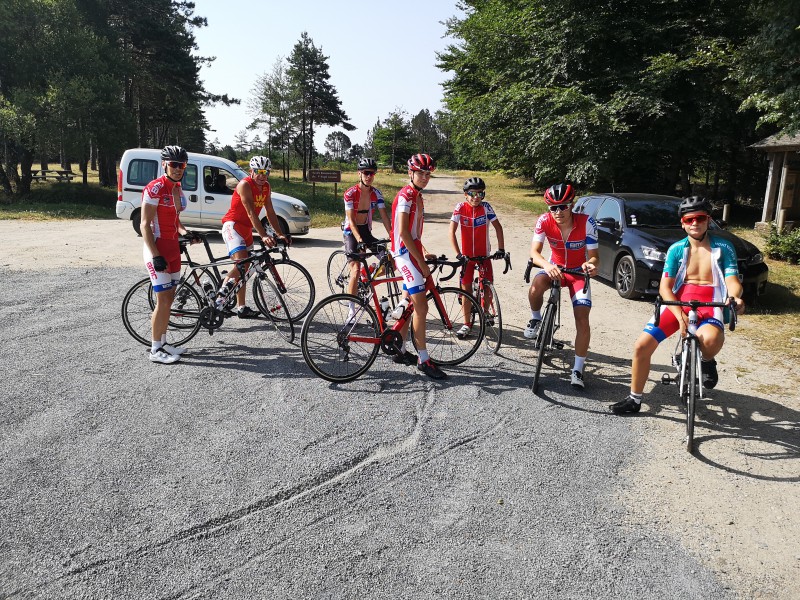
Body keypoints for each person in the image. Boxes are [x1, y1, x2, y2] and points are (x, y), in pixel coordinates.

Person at [610, 196, 745, 414]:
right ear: (682, 223)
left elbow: (732, 280)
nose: (695, 223)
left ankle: (707, 360)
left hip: (711, 302)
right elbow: (665, 287)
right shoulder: (676, 249)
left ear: (708, 220)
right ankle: (634, 399)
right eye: (689, 219)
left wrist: (735, 298)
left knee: (710, 339)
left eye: (700, 218)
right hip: (678, 302)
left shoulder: (724, 247)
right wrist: (679, 314)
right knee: (641, 346)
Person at [525, 183, 599, 389]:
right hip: (554, 267)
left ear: (572, 204)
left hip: (577, 272)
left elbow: (594, 257)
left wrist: (590, 265)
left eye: (563, 206)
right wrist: (548, 265)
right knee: (536, 285)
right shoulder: (543, 220)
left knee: (582, 318)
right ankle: (536, 319)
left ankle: (577, 368)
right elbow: (535, 252)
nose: (558, 211)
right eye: (553, 207)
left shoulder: (587, 222)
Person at [390, 153, 447, 380]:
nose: (425, 177)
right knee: (421, 307)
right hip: (403, 255)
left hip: (410, 252)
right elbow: (403, 234)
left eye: (428, 173)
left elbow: (414, 234)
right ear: (410, 173)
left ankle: (399, 349)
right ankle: (424, 360)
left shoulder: (417, 196)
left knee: (409, 306)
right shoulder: (406, 196)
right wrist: (421, 263)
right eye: (420, 173)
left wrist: (423, 251)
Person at [141, 145, 199, 364]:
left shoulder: (177, 187)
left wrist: (186, 232)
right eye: (173, 164)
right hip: (157, 247)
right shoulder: (154, 188)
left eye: (181, 165)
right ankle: (155, 350)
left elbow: (176, 220)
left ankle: (163, 342)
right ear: (164, 164)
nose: (177, 169)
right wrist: (155, 255)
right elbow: (145, 225)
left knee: (170, 299)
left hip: (173, 247)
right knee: (163, 300)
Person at [219, 155, 290, 318]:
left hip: (246, 229)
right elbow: (251, 212)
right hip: (233, 226)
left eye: (266, 172)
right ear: (251, 171)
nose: (262, 176)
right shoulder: (245, 184)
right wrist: (264, 235)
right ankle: (219, 299)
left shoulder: (266, 187)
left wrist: (279, 233)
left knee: (245, 268)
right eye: (258, 172)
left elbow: (270, 211)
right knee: (241, 265)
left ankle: (241, 307)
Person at [448, 177, 505, 338]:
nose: (476, 197)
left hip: (483, 256)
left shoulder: (486, 207)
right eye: (472, 194)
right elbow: (451, 232)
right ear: (466, 195)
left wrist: (501, 248)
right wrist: (458, 253)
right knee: (466, 290)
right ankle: (466, 324)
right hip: (467, 258)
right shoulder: (460, 207)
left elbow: (498, 228)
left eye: (480, 194)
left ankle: (485, 312)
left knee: (487, 287)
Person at [342, 157, 392, 319]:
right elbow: (350, 219)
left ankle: (367, 275)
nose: (369, 176)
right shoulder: (350, 193)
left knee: (389, 259)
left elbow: (384, 216)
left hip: (365, 231)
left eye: (372, 173)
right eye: (366, 173)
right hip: (351, 231)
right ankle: (351, 309)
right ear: (359, 174)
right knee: (355, 270)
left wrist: (393, 236)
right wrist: (358, 239)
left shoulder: (376, 193)